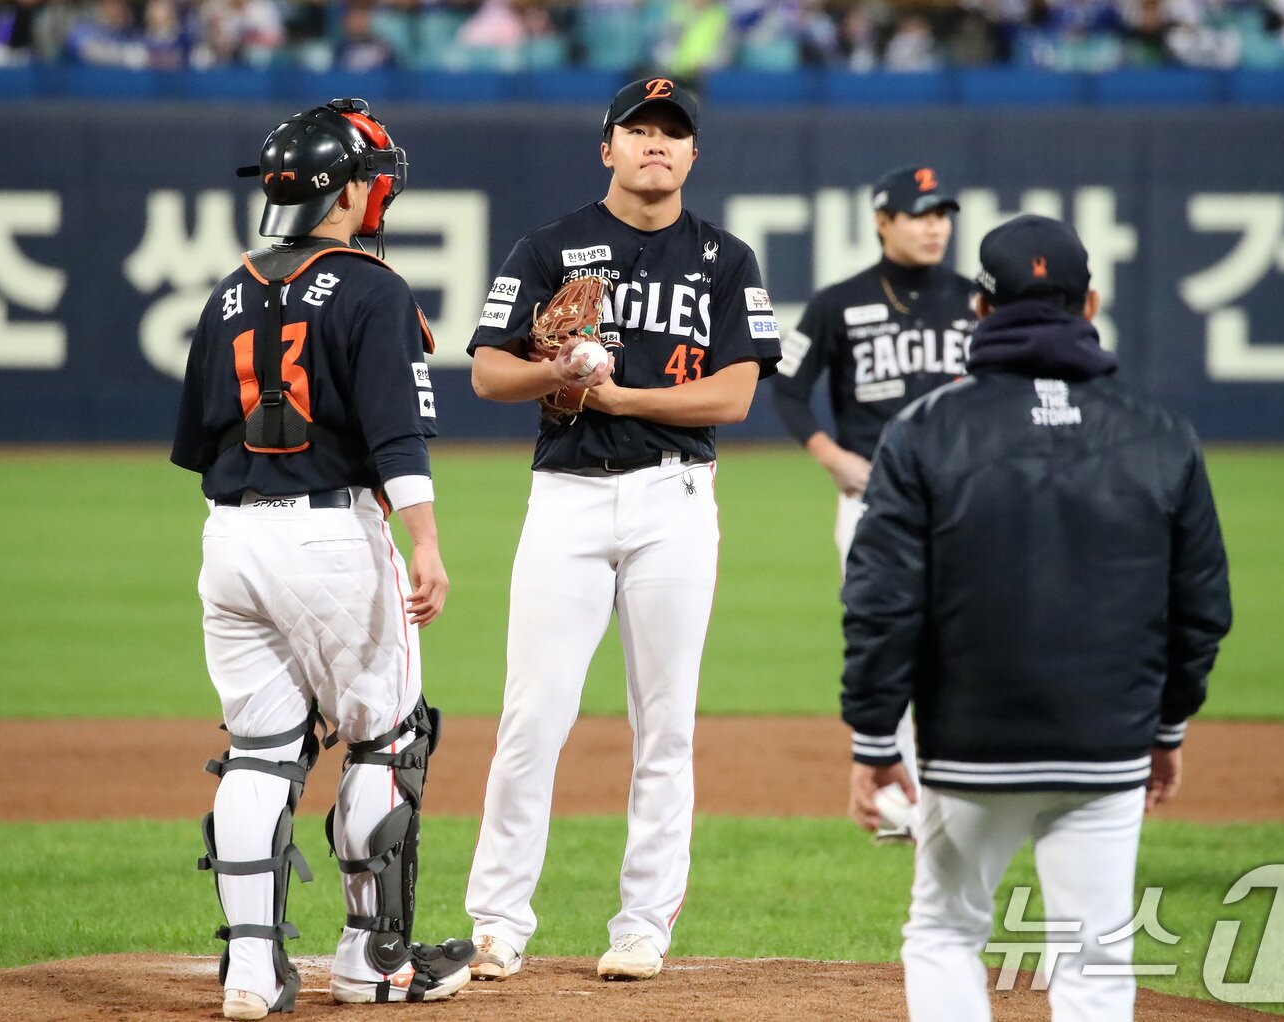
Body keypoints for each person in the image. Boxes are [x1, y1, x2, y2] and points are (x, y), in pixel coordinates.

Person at [840, 214, 1232, 1022]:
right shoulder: (1162, 437)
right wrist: (1166, 730)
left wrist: (877, 740)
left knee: (946, 933)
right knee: (1095, 957)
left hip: (973, 745)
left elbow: (883, 599)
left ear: (980, 311)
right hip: (1106, 744)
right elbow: (1202, 609)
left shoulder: (924, 431)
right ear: (1090, 304)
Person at [463, 76, 781, 983]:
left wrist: (620, 394)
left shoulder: (725, 258)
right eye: (638, 129)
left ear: (692, 153)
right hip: (565, 495)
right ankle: (497, 923)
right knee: (532, 716)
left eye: (672, 132)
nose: (656, 144)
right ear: (606, 146)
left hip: (676, 500)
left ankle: (642, 924)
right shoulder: (548, 248)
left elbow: (737, 392)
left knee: (666, 724)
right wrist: (555, 369)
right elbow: (487, 372)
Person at [171, 99, 472, 1020]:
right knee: (387, 735)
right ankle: (370, 961)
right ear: (344, 191)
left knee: (259, 751)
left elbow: (199, 442)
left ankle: (251, 975)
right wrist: (424, 541)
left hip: (230, 536)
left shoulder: (225, 292)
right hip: (331, 536)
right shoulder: (373, 287)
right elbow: (396, 440)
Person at [771, 162, 977, 840]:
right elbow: (788, 387)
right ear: (883, 221)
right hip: (876, 503)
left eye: (941, 214)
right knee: (889, 640)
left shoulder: (977, 300)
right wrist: (832, 457)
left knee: (958, 646)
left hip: (962, 502)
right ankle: (904, 798)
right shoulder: (840, 302)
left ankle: (947, 795)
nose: (934, 226)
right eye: (920, 214)